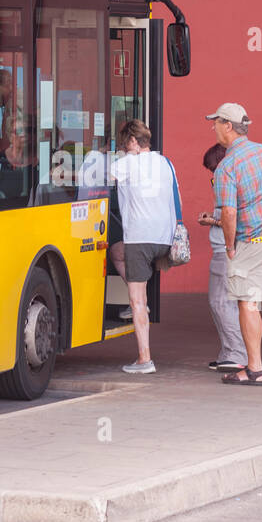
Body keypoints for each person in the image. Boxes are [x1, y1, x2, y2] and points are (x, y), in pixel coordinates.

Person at [208, 102, 262, 386]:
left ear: (228, 126)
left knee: (248, 303)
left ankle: (254, 369)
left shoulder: (227, 166)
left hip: (251, 241)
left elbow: (229, 212)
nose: (214, 127)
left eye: (217, 123)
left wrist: (230, 246)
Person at [108, 118, 177, 375]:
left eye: (125, 144)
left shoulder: (127, 162)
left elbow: (101, 177)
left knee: (137, 300)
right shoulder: (165, 162)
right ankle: (144, 303)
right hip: (165, 239)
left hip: (140, 238)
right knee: (117, 252)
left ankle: (144, 359)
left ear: (134, 142)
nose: (124, 149)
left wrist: (108, 155)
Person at [197, 143, 247, 373]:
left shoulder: (231, 183)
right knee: (221, 303)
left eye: (213, 172)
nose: (212, 178)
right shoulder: (234, 182)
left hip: (227, 250)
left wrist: (212, 222)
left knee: (222, 303)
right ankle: (229, 352)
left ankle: (236, 353)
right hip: (226, 249)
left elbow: (234, 220)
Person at [0, 111, 36, 202]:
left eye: (27, 130)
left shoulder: (38, 161)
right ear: (10, 136)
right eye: (18, 131)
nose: (23, 134)